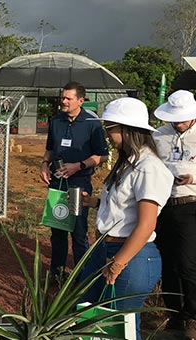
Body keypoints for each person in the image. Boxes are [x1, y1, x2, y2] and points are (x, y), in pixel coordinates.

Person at [81, 97, 173, 340]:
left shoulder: (148, 167)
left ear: (128, 129)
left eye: (110, 128)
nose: (108, 135)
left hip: (131, 255)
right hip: (107, 248)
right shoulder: (128, 162)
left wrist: (118, 263)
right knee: (90, 315)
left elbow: (146, 223)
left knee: (118, 327)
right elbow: (125, 209)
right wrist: (95, 203)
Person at [38, 81, 109, 277]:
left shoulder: (91, 124)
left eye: (68, 98)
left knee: (78, 231)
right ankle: (57, 272)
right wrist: (44, 164)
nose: (64, 101)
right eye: (63, 97)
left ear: (80, 100)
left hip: (79, 184)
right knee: (57, 229)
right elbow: (50, 149)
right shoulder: (56, 121)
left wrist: (79, 165)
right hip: (58, 182)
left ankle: (81, 275)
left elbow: (102, 155)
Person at [152, 90, 196, 336]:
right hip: (163, 204)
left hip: (191, 203)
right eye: (174, 118)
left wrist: (192, 177)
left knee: (188, 263)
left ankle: (192, 317)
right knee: (167, 262)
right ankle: (174, 315)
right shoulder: (160, 136)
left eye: (182, 118)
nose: (178, 123)